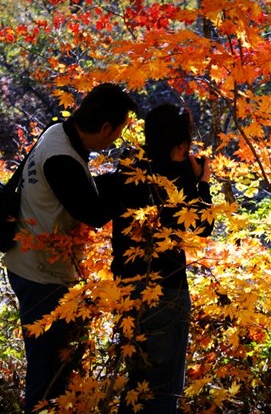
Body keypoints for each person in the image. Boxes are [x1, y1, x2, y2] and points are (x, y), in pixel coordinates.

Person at [4, 83, 138, 413]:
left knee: (58, 368)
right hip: (41, 275)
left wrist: (118, 178)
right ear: (106, 127)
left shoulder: (58, 134)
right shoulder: (62, 157)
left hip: (36, 267)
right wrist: (127, 181)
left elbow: (83, 190)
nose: (115, 139)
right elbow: (92, 211)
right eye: (118, 131)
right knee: (47, 374)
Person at [107, 103, 214, 413]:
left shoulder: (128, 169)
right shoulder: (177, 178)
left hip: (125, 287)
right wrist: (202, 182)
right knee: (164, 389)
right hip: (166, 289)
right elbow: (204, 225)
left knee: (136, 384)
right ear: (181, 144)